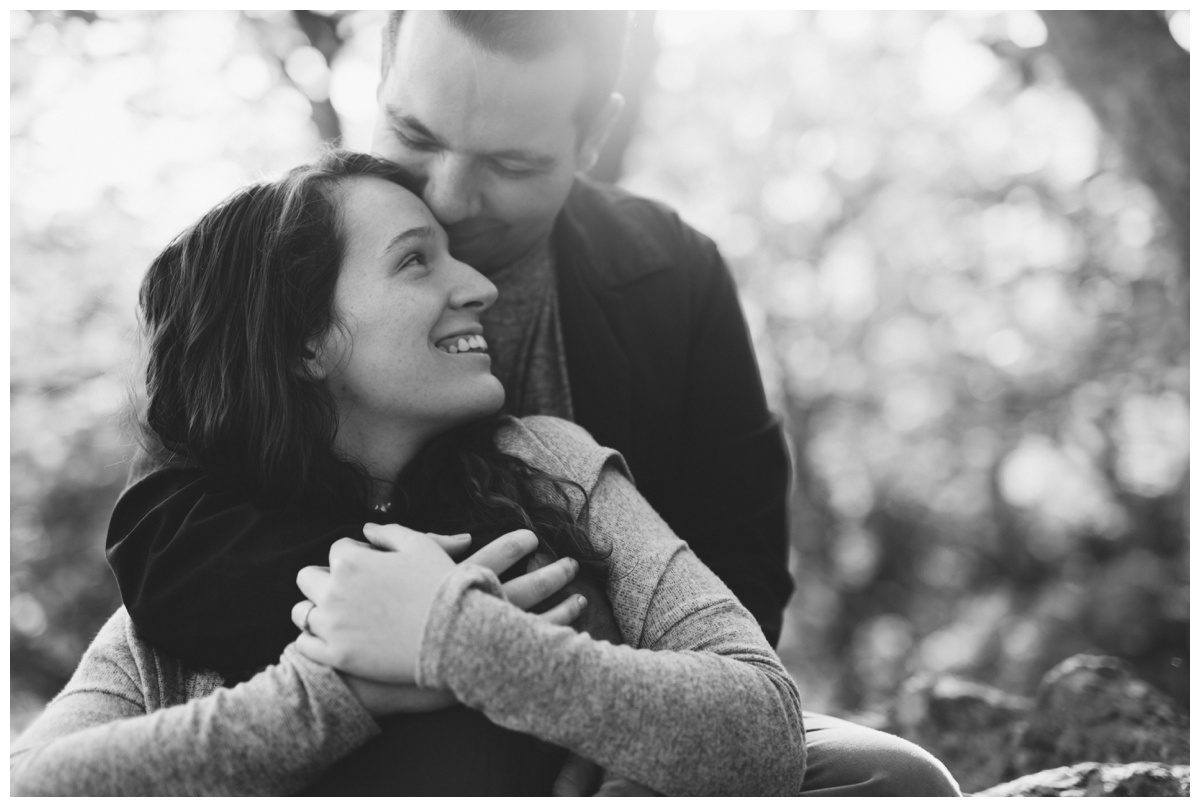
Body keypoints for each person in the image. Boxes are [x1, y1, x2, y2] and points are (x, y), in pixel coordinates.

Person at [101, 11, 959, 796]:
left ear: (591, 138)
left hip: (619, 697)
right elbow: (168, 535)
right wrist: (424, 623)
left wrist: (615, 725)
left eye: (510, 163)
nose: (447, 193)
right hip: (348, 684)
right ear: (383, 78)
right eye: (414, 133)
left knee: (890, 778)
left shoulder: (672, 276)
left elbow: (737, 566)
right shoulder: (281, 269)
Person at [11, 151, 806, 796]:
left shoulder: (553, 466)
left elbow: (766, 729)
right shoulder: (193, 566)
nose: (479, 286)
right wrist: (339, 688)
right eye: (416, 261)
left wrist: (459, 640)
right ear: (305, 343)